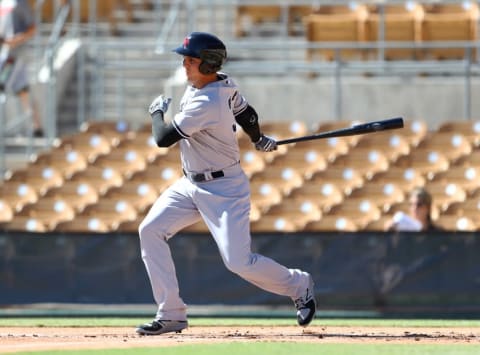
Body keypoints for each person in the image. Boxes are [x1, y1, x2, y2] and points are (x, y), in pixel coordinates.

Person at [136, 32, 316, 335]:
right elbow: (246, 113)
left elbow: (163, 138)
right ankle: (171, 313)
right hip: (190, 184)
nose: (184, 65)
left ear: (207, 64)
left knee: (239, 262)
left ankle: (299, 284)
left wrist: (156, 113)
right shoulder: (221, 82)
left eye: (190, 60)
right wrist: (258, 138)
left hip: (224, 189)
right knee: (150, 230)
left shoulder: (208, 100)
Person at [0, 0, 43, 137]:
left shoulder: (20, 3)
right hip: (6, 53)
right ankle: (37, 128)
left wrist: (14, 41)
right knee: (23, 90)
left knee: (1, 84)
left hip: (16, 54)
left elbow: (32, 28)